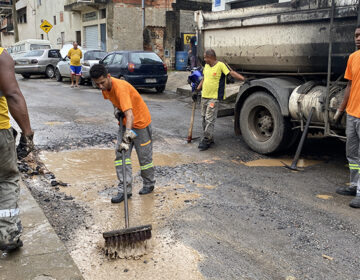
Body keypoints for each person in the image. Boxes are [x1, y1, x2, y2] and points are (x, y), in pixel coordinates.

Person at [90, 64, 155, 203]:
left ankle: (149, 184)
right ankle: (125, 190)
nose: (100, 86)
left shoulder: (121, 88)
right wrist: (116, 110)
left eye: (102, 82)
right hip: (126, 123)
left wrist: (126, 140)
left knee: (144, 158)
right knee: (121, 155)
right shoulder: (105, 87)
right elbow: (114, 101)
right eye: (97, 84)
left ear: (108, 76)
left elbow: (130, 115)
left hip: (140, 124)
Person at [0, 47, 34, 253]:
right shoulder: (1, 56)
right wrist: (27, 133)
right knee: (6, 179)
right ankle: (8, 233)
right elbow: (12, 94)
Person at [195, 49, 245, 151]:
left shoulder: (220, 65)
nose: (204, 59)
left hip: (214, 98)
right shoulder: (206, 67)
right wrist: (196, 90)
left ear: (211, 57)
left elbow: (231, 73)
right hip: (204, 96)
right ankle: (209, 137)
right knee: (204, 118)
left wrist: (243, 79)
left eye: (205, 57)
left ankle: (206, 139)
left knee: (209, 119)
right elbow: (204, 79)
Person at [334, 25, 360, 208]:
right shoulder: (353, 58)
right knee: (352, 154)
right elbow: (350, 86)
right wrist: (340, 110)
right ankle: (354, 185)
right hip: (352, 113)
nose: (357, 38)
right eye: (356, 35)